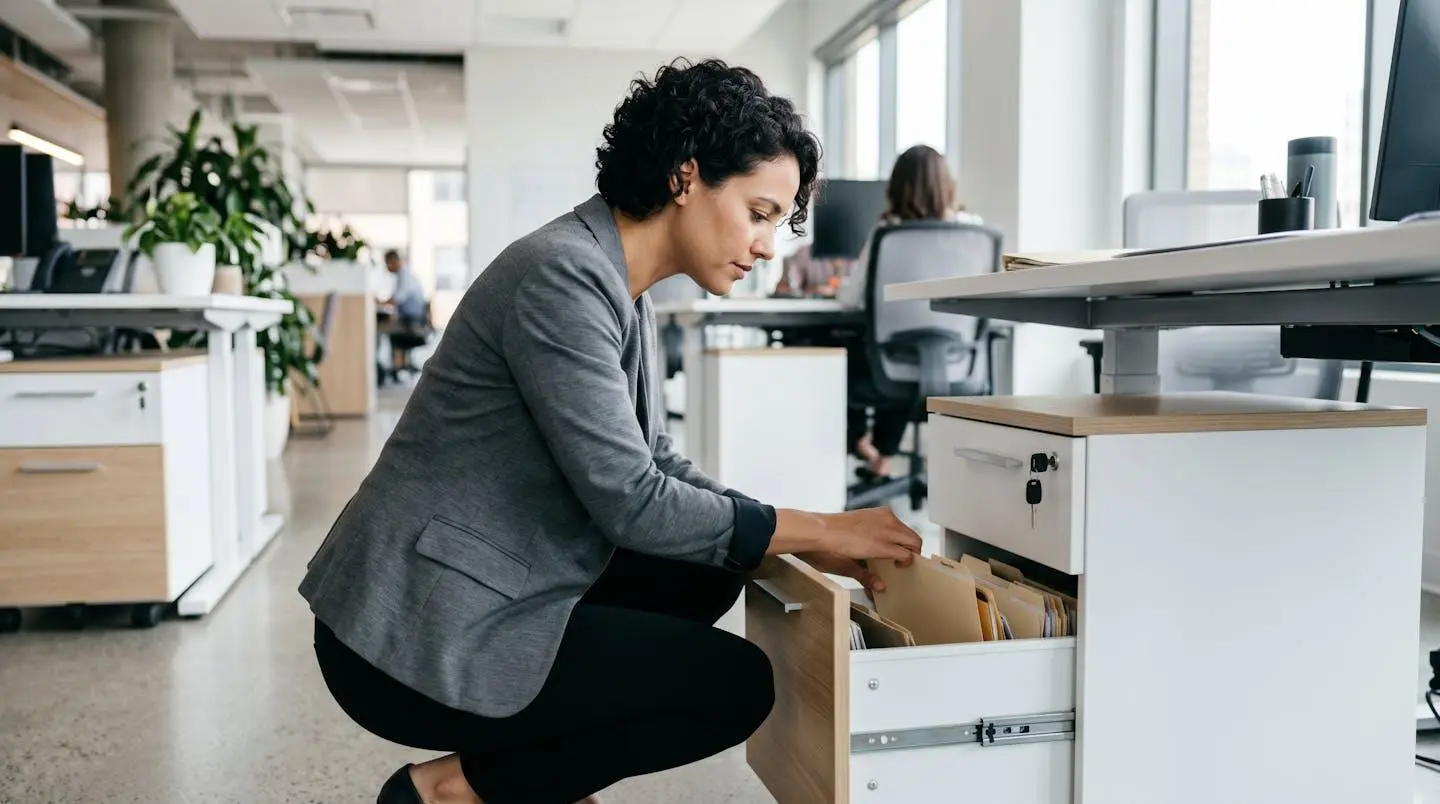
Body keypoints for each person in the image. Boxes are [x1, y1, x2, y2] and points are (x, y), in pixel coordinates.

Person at [299, 58, 922, 804]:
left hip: (493, 574)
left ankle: (541, 760)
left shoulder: (622, 286)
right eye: (758, 214)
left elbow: (655, 461)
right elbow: (632, 499)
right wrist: (819, 528)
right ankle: (455, 789)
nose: (766, 246)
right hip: (409, 621)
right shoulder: (560, 276)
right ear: (686, 177)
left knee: (711, 566)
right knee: (732, 687)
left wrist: (792, 537)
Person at [836, 144, 983, 481]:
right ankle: (882, 456)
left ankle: (860, 440)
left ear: (895, 187)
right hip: (958, 363)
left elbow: (849, 299)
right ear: (948, 185)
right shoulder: (973, 232)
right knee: (903, 360)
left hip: (891, 366)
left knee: (849, 349)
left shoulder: (888, 233)